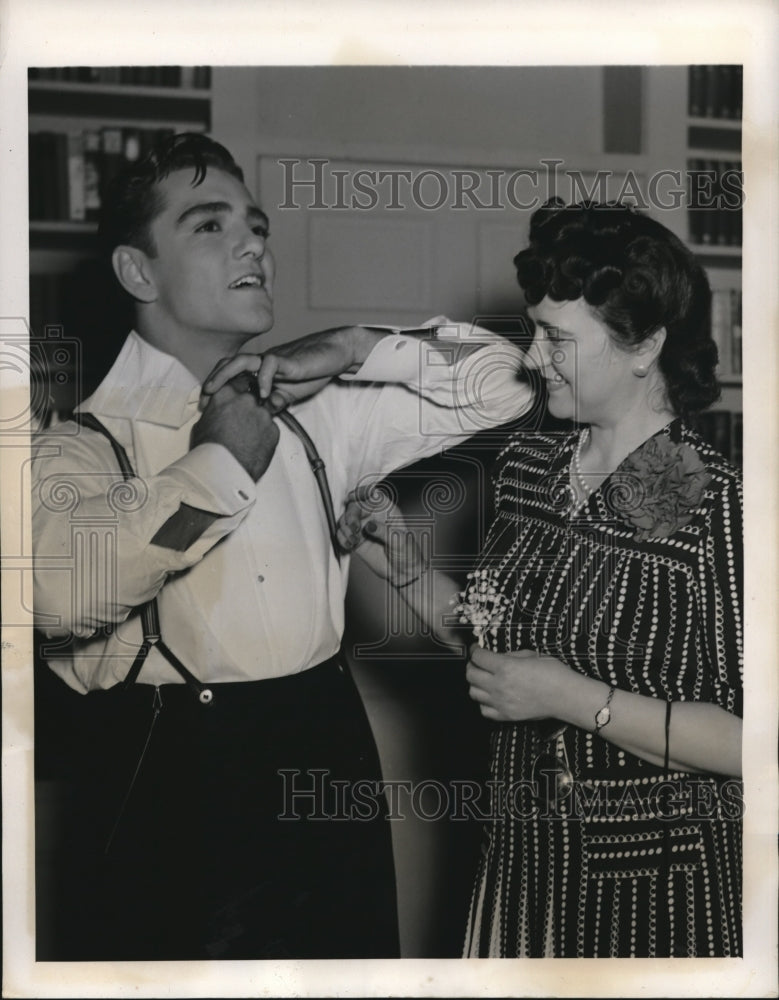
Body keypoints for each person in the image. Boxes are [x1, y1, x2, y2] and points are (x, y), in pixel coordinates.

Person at [30, 133, 534, 960]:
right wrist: (220, 461)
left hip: (330, 769)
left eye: (255, 224)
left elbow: (513, 381)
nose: (253, 242)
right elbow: (62, 594)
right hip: (173, 806)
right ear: (137, 273)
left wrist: (353, 347)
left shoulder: (320, 410)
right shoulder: (72, 449)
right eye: (209, 225)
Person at [340, 200, 743, 958]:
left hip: (653, 895)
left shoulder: (696, 493)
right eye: (533, 331)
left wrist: (568, 697)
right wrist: (392, 549)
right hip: (523, 865)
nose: (532, 357)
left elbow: (750, 741)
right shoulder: (531, 467)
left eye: (558, 337)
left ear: (642, 346)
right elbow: (496, 653)